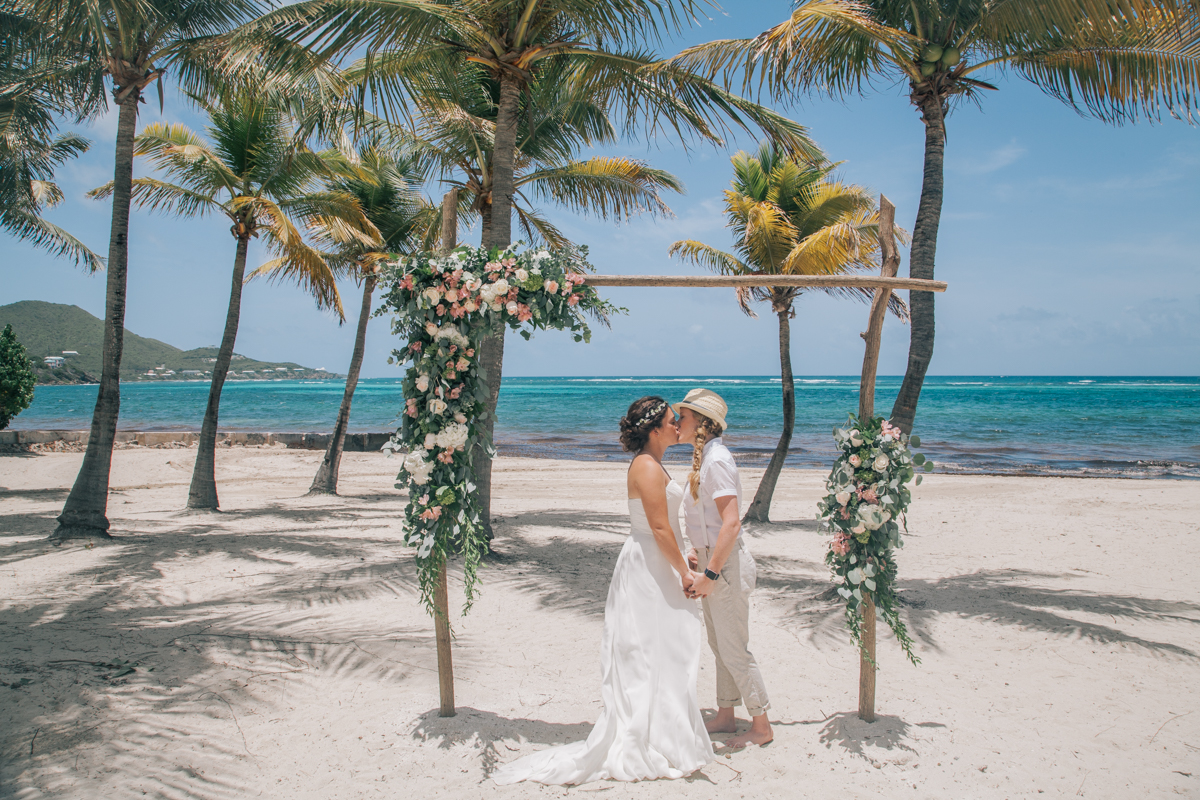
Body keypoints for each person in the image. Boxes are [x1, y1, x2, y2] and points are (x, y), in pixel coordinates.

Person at [492, 396, 714, 785]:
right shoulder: (646, 466)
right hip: (649, 567)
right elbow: (659, 529)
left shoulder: (654, 463)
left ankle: (663, 734)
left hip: (658, 562)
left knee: (665, 649)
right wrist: (683, 571)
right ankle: (643, 738)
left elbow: (666, 528)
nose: (679, 423)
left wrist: (684, 555)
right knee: (645, 653)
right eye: (671, 418)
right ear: (655, 429)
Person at [674, 388, 774, 748]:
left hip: (725, 565)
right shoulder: (706, 459)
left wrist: (711, 574)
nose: (675, 422)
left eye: (682, 417)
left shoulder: (716, 461)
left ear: (701, 423)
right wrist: (697, 554)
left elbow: (731, 523)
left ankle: (761, 725)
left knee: (734, 647)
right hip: (714, 559)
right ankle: (727, 715)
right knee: (720, 644)